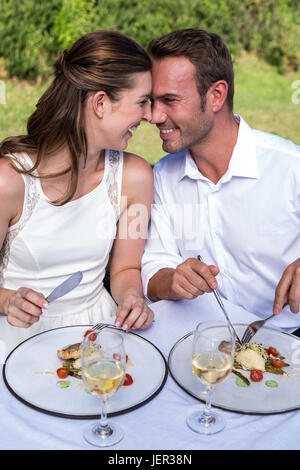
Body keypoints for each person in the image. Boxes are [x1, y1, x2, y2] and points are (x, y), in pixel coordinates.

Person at [0, 30, 154, 353]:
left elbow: (126, 268)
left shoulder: (136, 178)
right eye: (142, 102)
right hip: (17, 339)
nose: (150, 116)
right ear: (100, 103)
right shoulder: (9, 181)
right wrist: (8, 301)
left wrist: (131, 298)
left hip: (97, 337)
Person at [141, 29, 300, 331]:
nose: (154, 115)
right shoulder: (163, 176)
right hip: (205, 342)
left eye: (169, 100)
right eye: (152, 100)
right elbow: (152, 267)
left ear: (216, 96)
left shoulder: (290, 166)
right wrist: (172, 280)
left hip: (290, 340)